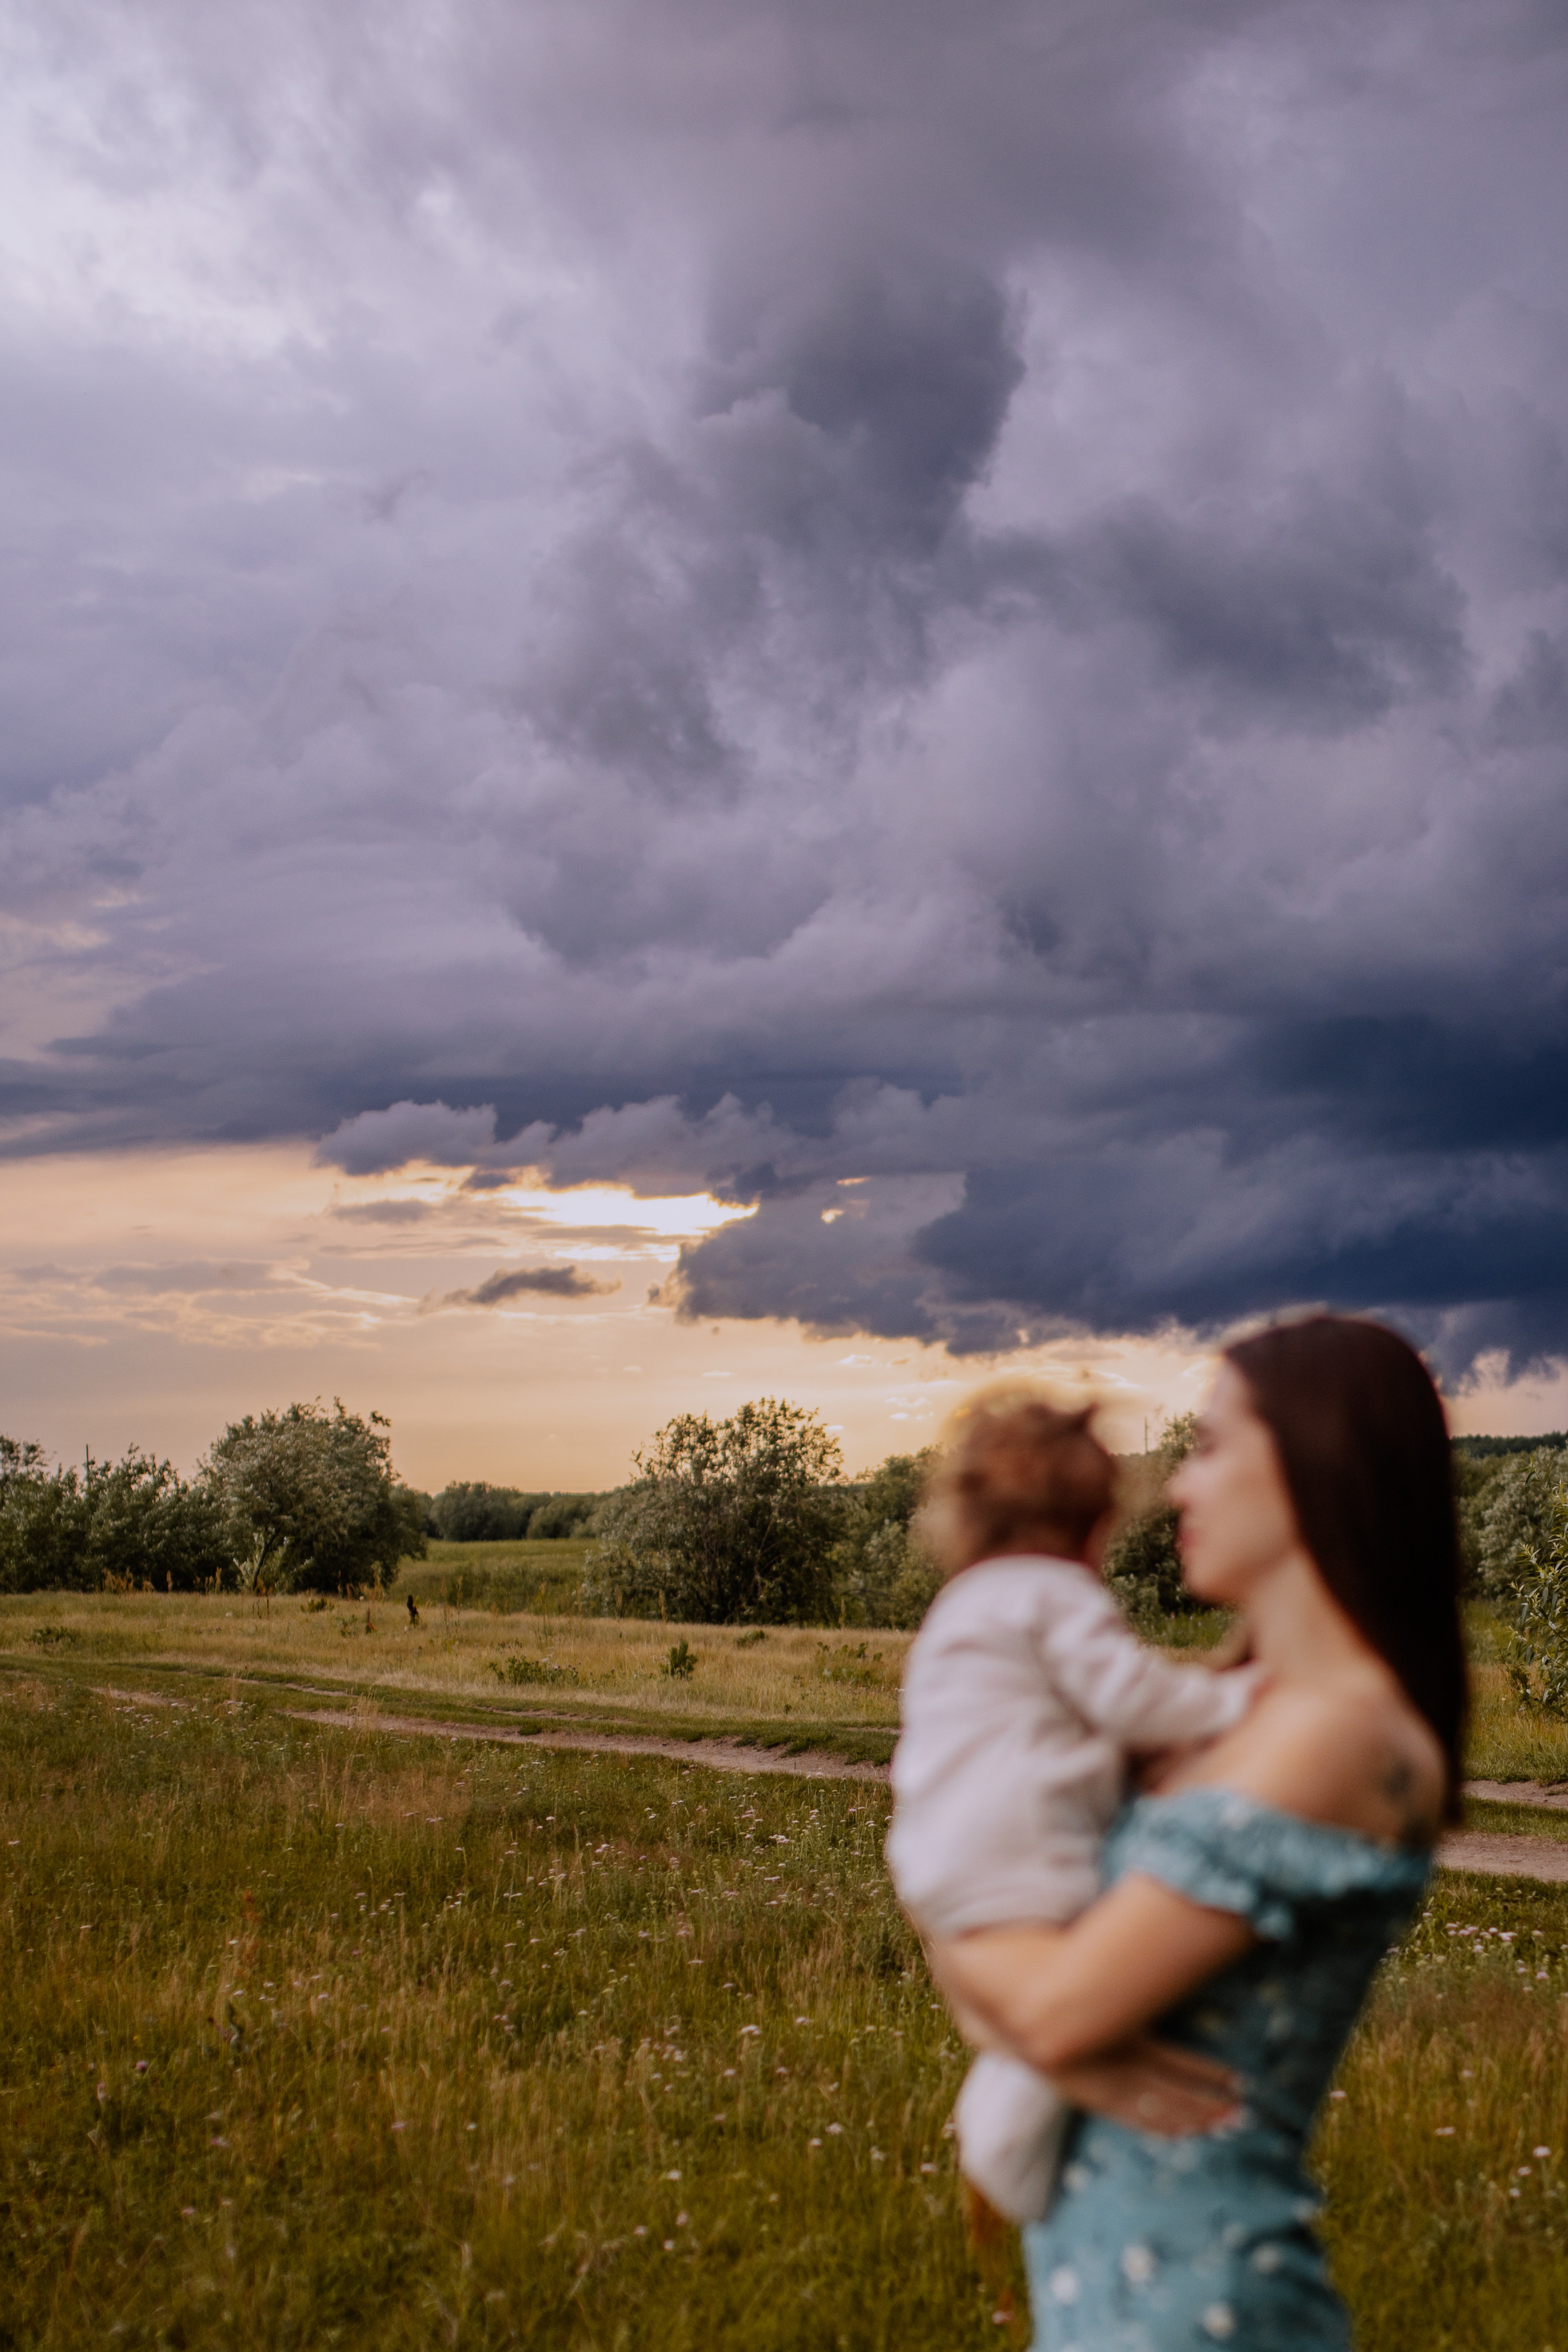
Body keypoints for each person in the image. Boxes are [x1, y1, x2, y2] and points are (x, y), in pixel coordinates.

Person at [925, 1315, 1467, 2351]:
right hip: (1109, 2303)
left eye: (1211, 1444)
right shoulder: (1232, 1714)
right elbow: (999, 1938)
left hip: (1206, 2311)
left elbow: (1043, 1999)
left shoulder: (1341, 1735)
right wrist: (1019, 2002)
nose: (1177, 1486)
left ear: (1319, 1454)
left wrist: (1004, 1988)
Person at [885, 1388, 1260, 2222]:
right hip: (1021, 1853)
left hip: (934, 1857)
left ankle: (1016, 2126)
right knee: (1077, 2004)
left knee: (1028, 2004)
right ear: (1092, 1530)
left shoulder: (961, 1607)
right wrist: (1239, 1703)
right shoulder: (1055, 1594)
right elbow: (1130, 1696)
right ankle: (1018, 2137)